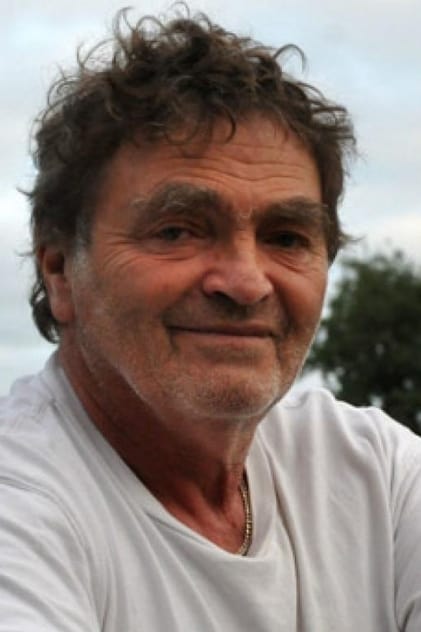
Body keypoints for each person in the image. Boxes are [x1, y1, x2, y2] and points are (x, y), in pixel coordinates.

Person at [1, 7, 421, 631]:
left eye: (286, 237)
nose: (246, 284)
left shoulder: (375, 474)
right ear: (61, 272)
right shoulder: (20, 506)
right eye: (178, 230)